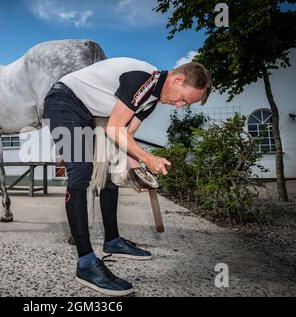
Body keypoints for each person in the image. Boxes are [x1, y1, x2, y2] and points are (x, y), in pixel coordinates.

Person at [42, 58, 212, 296]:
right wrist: (149, 158)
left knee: (112, 170)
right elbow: (114, 128)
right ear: (178, 79)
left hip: (89, 113)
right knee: (80, 171)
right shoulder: (142, 78)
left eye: (185, 105)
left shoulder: (152, 98)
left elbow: (126, 137)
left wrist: (136, 169)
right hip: (63, 101)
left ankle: (112, 240)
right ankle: (86, 264)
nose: (179, 106)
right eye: (184, 99)